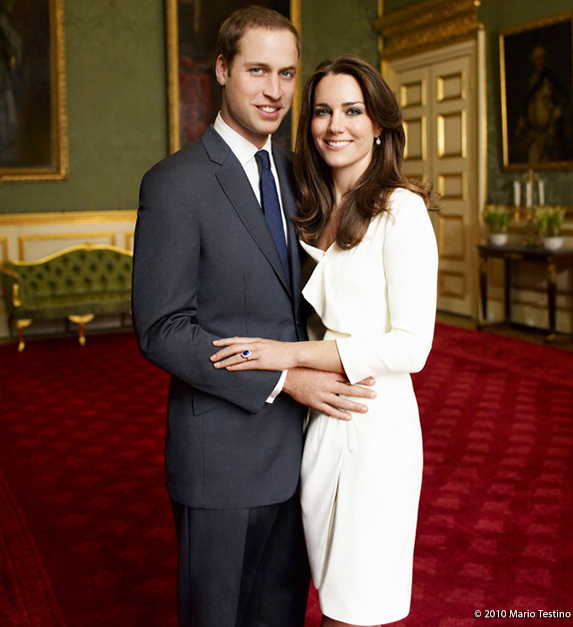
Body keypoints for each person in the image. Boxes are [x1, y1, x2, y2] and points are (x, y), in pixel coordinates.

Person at [131, 9, 375, 627]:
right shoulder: (174, 184)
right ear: (221, 70)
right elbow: (163, 329)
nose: (274, 91)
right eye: (258, 70)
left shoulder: (303, 180)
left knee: (280, 614)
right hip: (219, 459)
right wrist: (286, 379)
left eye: (287, 74)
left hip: (301, 458)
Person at [211, 54, 439, 627]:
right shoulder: (305, 209)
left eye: (353, 110)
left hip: (374, 422)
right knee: (324, 592)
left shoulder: (401, 211)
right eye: (322, 112)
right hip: (316, 426)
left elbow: (412, 347)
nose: (335, 125)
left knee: (356, 606)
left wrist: (287, 357)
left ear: (380, 124)